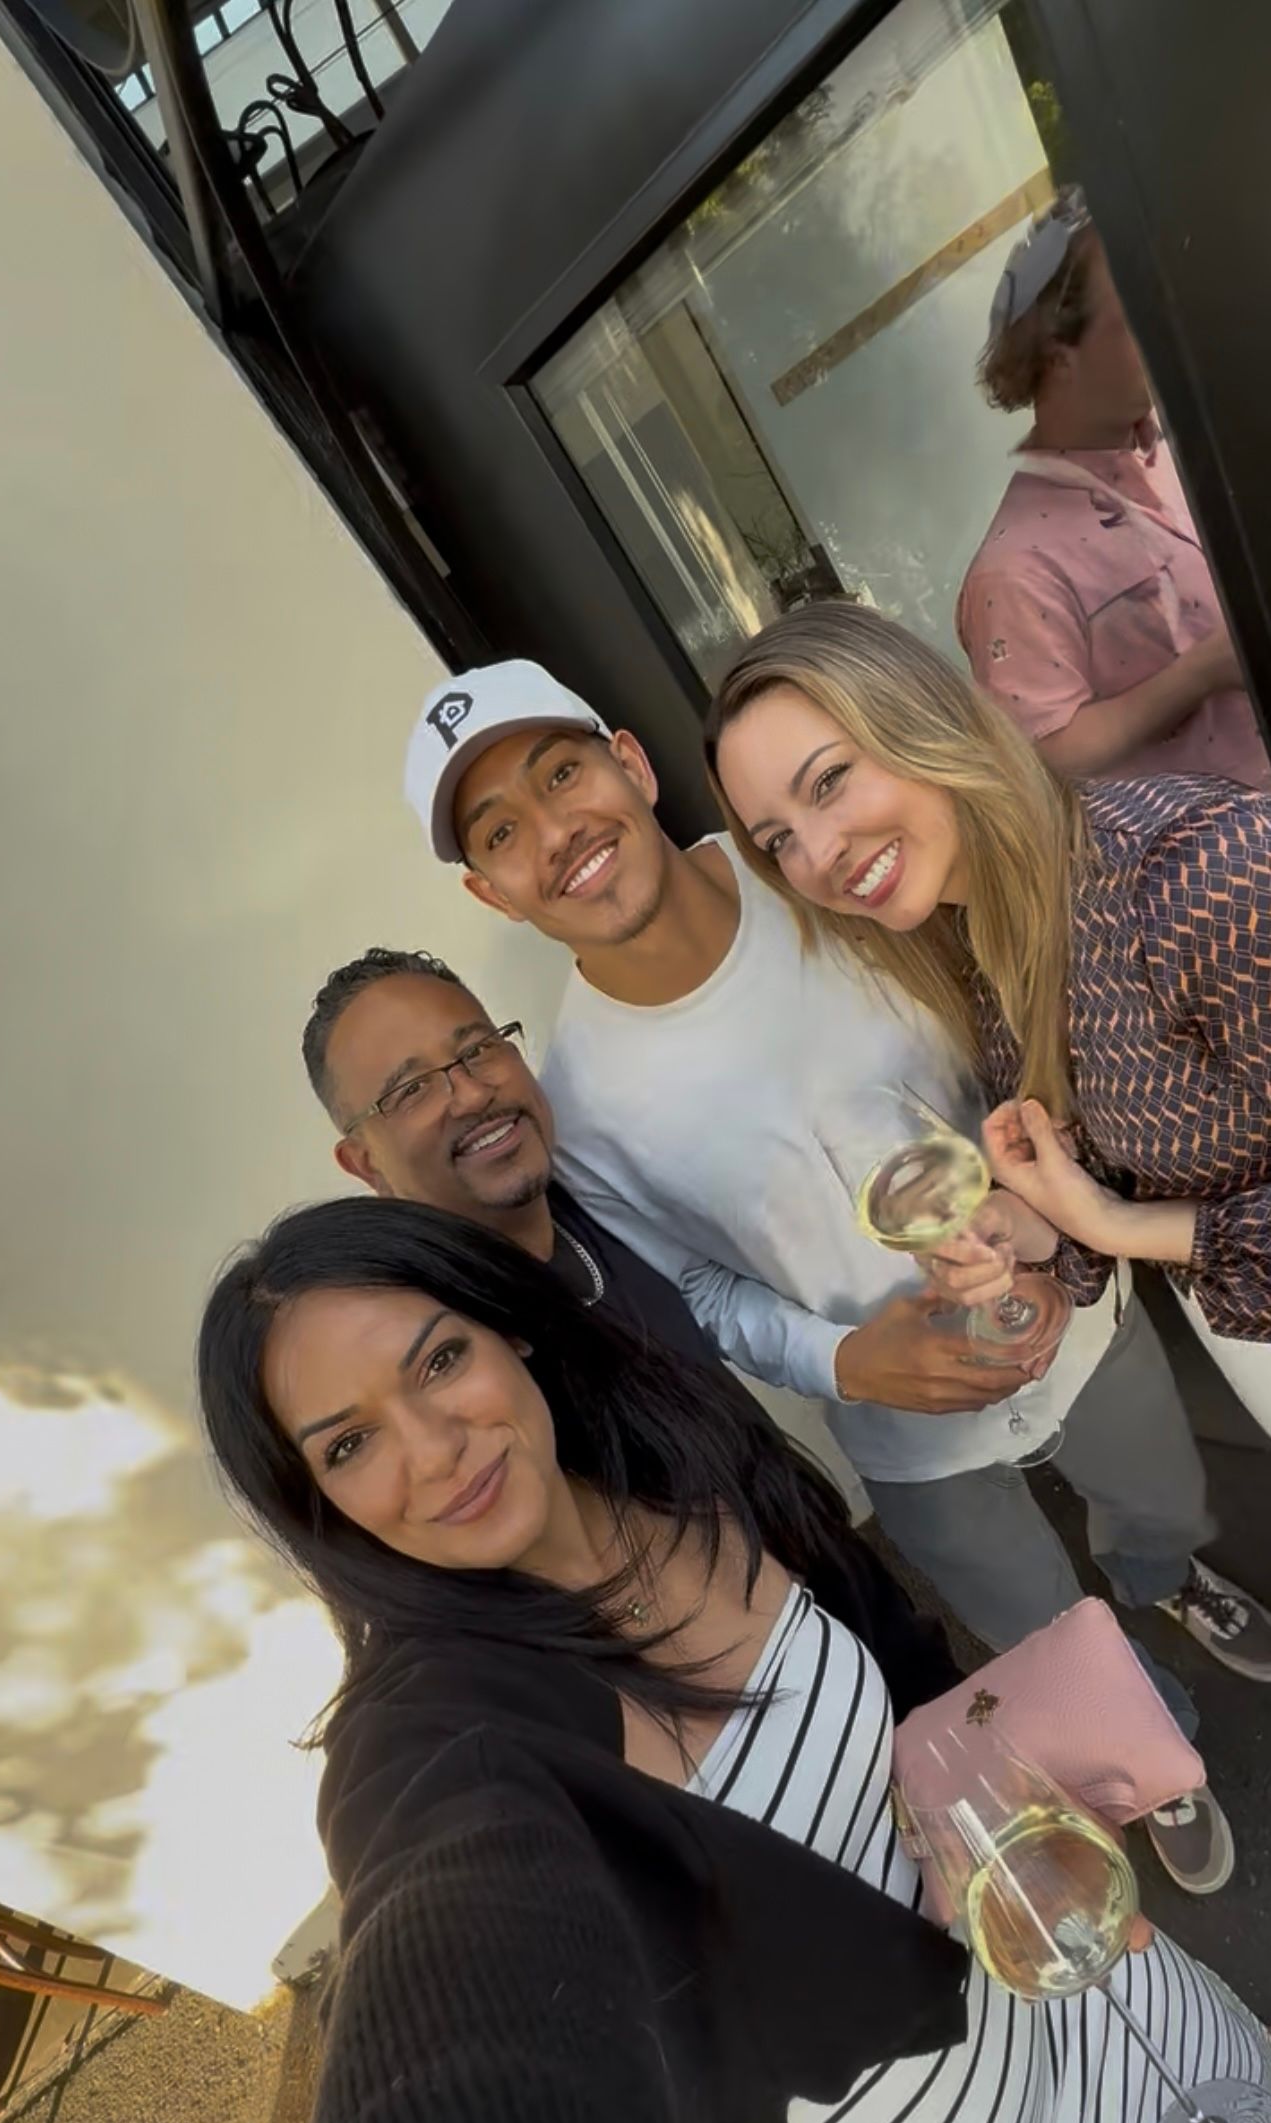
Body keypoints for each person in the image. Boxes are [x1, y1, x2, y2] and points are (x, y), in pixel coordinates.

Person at [197, 1198, 1270, 2123]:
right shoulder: (440, 1734)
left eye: (437, 1360)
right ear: (319, 1505)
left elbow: (897, 1696)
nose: (432, 1451)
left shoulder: (688, 1475)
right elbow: (449, 1957)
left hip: (1108, 2021)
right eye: (349, 1442)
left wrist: (1011, 1816)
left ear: (507, 1326)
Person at [401, 656, 1236, 1892]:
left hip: (1071, 1309)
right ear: (491, 889)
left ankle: (1169, 1582)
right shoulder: (575, 1109)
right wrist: (852, 1358)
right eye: (503, 831)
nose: (556, 832)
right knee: (1037, 1624)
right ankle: (1157, 1740)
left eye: (562, 771)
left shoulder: (829, 870)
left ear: (627, 762)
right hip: (904, 1429)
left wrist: (1053, 1226)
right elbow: (694, 1293)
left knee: (1159, 1498)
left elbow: (1009, 1020)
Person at [705, 598, 1271, 1641]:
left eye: (830, 779)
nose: (821, 853)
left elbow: (1149, 1210)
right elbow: (1134, 1167)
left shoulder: (1194, 871)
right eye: (778, 838)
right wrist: (1033, 1228)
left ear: (927, 722)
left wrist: (1122, 1231)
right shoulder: (993, 941)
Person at [957, 186, 1268, 792]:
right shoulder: (1013, 568)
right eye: (1134, 318)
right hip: (1231, 868)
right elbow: (1046, 755)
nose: (1165, 327)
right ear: (1060, 353)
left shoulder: (1183, 449)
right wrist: (1200, 673)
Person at [300, 944, 718, 1368]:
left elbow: (714, 1297)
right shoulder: (441, 1351)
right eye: (413, 1089)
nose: (473, 1094)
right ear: (365, 1162)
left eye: (478, 1050)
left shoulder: (594, 1183)